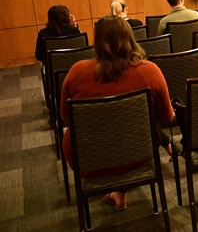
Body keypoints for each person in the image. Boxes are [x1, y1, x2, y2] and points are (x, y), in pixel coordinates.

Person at [60, 15, 174, 210]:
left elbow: (65, 118)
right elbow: (165, 118)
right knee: (134, 127)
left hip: (90, 162)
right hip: (138, 156)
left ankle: (117, 193)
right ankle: (121, 192)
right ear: (130, 38)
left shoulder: (77, 72)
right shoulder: (149, 71)